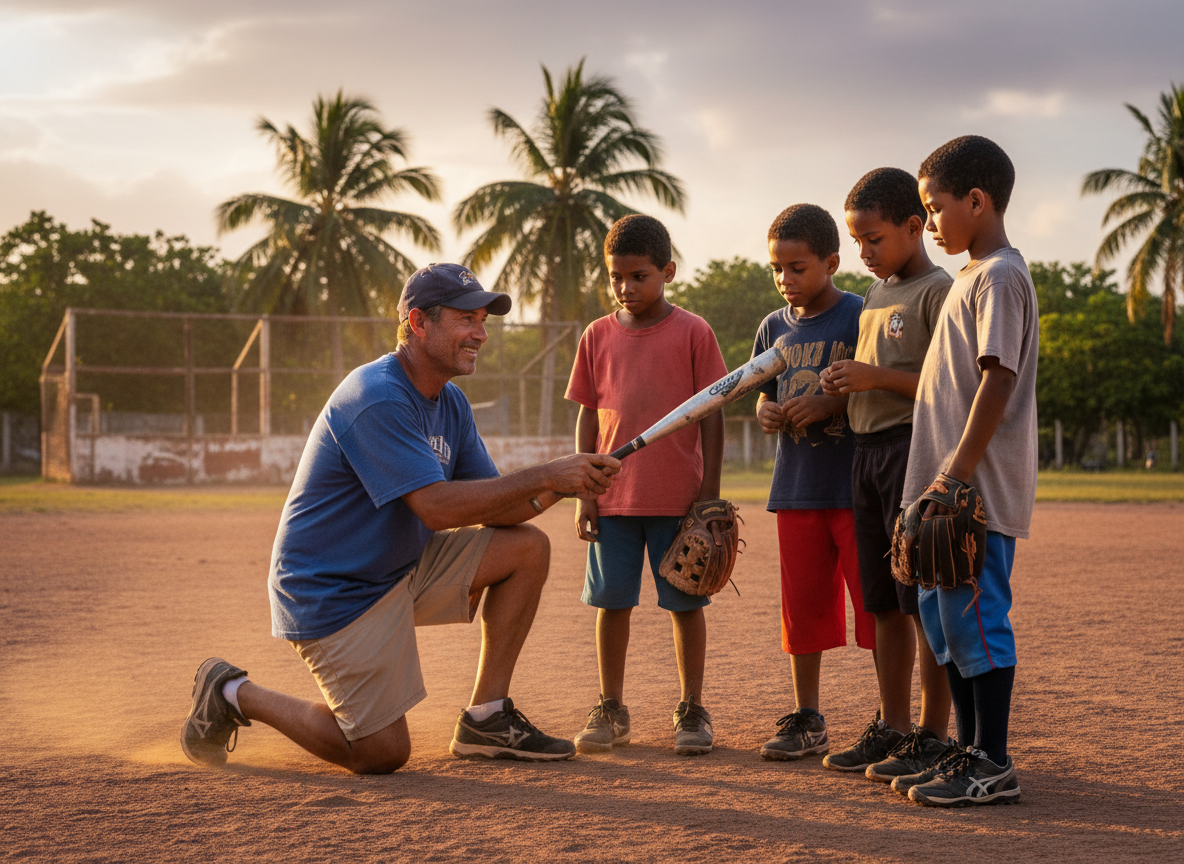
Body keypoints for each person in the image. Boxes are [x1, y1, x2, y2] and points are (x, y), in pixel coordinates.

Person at [180, 263, 620, 774]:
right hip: (334, 590)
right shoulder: (378, 395)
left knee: (525, 546)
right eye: (465, 319)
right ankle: (231, 691)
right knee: (380, 752)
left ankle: (487, 718)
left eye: (483, 320)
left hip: (397, 568)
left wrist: (564, 487)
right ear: (418, 322)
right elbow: (436, 508)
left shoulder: (449, 402)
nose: (481, 333)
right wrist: (549, 472)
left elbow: (499, 509)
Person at [896, 136, 1037, 807]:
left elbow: (998, 378)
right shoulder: (972, 277)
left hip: (970, 492)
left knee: (979, 622)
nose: (929, 222)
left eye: (935, 207)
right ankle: (966, 750)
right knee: (948, 627)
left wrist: (954, 476)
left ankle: (993, 759)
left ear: (977, 201)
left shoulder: (1001, 276)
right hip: (943, 489)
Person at [565, 214, 728, 756]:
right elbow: (588, 418)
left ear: (668, 272)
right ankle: (611, 706)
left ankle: (692, 707)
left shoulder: (693, 332)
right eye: (616, 277)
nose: (626, 288)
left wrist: (709, 494)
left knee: (686, 604)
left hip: (679, 501)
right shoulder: (597, 335)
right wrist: (587, 488)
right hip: (613, 500)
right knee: (611, 604)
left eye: (639, 276)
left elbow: (713, 414)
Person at [817, 167, 955, 779]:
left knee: (921, 601)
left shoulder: (937, 291)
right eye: (857, 243)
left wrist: (875, 378)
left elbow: (952, 383)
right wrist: (843, 385)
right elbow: (873, 376)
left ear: (913, 224)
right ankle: (892, 726)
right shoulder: (875, 296)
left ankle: (932, 733)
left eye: (874, 239)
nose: (865, 253)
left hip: (912, 451)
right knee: (882, 606)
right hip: (866, 454)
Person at [752, 204, 874, 762]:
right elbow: (761, 391)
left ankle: (888, 715)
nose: (786, 280)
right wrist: (767, 413)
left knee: (876, 607)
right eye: (777, 269)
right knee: (802, 611)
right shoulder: (773, 326)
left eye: (797, 268)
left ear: (831, 262)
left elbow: (879, 387)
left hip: (855, 487)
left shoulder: (860, 313)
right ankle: (808, 716)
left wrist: (831, 403)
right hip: (797, 487)